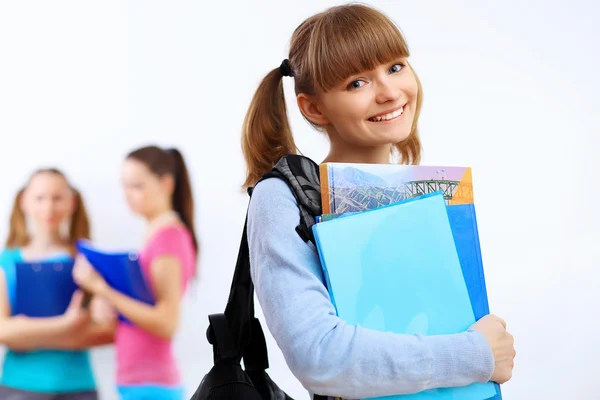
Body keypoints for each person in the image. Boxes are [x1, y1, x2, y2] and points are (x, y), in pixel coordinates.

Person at [241, 4, 516, 399]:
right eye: (357, 83)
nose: (389, 93)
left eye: (396, 66)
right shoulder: (283, 197)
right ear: (314, 107)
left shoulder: (430, 189)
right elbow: (319, 356)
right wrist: (476, 355)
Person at [72, 145, 199, 400]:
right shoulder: (154, 236)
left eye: (137, 186)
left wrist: (102, 289)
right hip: (138, 383)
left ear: (165, 184)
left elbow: (166, 323)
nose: (127, 195)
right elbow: (140, 309)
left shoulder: (168, 239)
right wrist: (104, 303)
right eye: (124, 186)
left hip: (152, 386)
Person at [0, 168, 116, 400]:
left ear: (72, 202)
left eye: (57, 198)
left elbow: (107, 330)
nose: (48, 208)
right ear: (24, 201)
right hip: (19, 387)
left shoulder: (88, 261)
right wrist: (67, 325)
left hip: (78, 387)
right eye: (40, 198)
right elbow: (3, 332)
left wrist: (26, 334)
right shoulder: (7, 261)